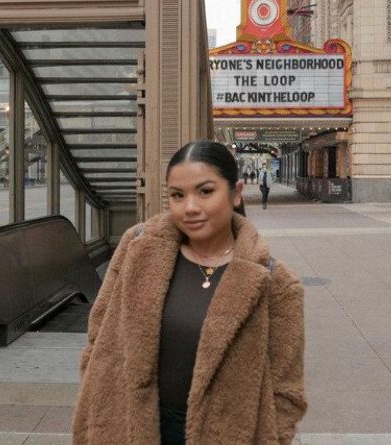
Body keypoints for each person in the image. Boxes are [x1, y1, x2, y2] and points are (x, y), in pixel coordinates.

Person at [72, 140, 306, 444]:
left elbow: (287, 392)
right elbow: (98, 334)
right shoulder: (137, 247)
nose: (190, 207)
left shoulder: (276, 282)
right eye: (177, 195)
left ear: (236, 194)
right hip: (130, 427)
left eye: (205, 191)